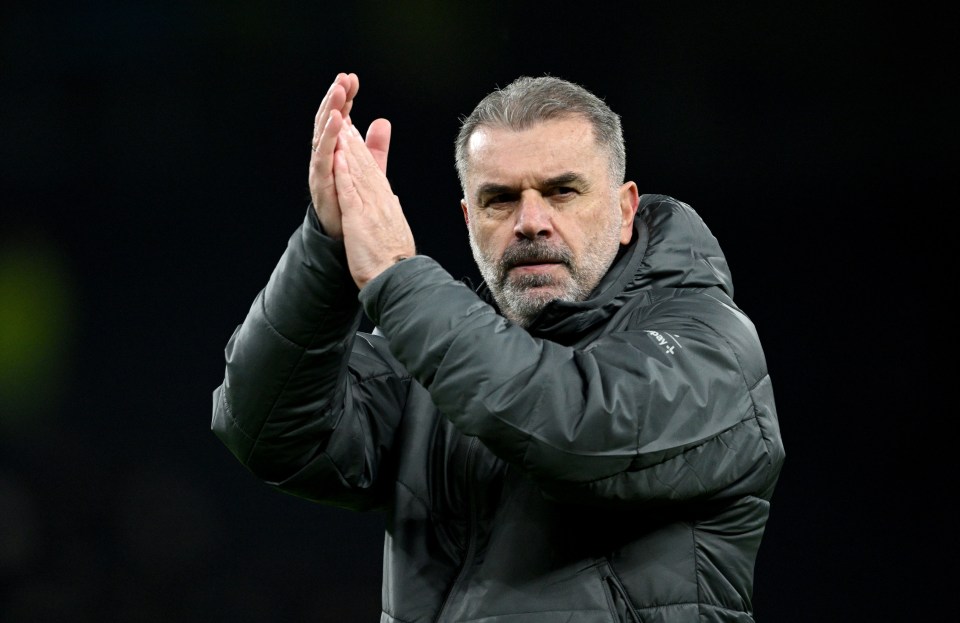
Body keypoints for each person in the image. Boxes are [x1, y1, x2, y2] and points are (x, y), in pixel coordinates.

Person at [211, 71, 785, 622]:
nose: (531, 222)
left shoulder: (711, 345)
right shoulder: (440, 343)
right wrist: (329, 245)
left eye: (562, 191)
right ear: (468, 218)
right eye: (500, 199)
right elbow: (268, 430)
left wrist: (395, 275)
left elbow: (573, 426)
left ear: (624, 209)